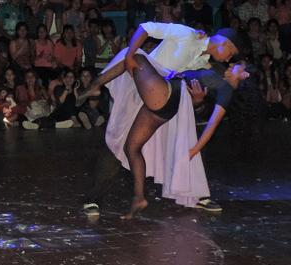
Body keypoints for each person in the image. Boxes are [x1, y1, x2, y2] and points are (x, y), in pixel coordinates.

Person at [79, 22, 243, 217]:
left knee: (182, 139)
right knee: (119, 144)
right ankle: (94, 198)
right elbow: (145, 28)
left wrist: (198, 102)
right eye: (231, 53)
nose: (229, 58)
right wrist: (130, 55)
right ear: (225, 42)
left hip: (160, 96)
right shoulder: (187, 34)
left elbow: (200, 91)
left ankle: (195, 195)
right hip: (141, 87)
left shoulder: (203, 63)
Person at [115, 54, 249, 219]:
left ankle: (94, 86)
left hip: (169, 98)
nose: (232, 64)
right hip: (169, 93)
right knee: (131, 147)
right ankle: (139, 197)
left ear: (245, 75)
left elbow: (211, 125)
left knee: (134, 56)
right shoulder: (218, 75)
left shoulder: (226, 90)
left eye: (238, 65)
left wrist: (192, 152)